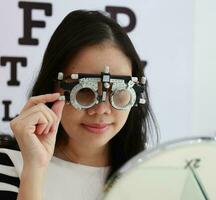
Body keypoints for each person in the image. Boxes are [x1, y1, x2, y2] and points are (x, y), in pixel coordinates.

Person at [0, 10, 158, 200]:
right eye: (84, 92)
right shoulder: (9, 162)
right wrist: (34, 168)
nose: (101, 110)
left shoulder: (151, 172)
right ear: (53, 88)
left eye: (119, 92)